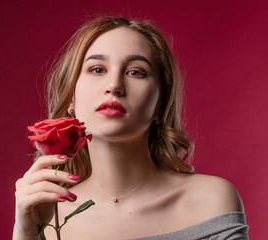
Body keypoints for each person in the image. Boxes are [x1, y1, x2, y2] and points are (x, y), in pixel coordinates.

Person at [13, 16, 249, 240]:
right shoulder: (48, 215)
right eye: (97, 69)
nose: (115, 85)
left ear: (160, 104)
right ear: (71, 101)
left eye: (135, 72)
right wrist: (25, 233)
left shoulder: (211, 201)